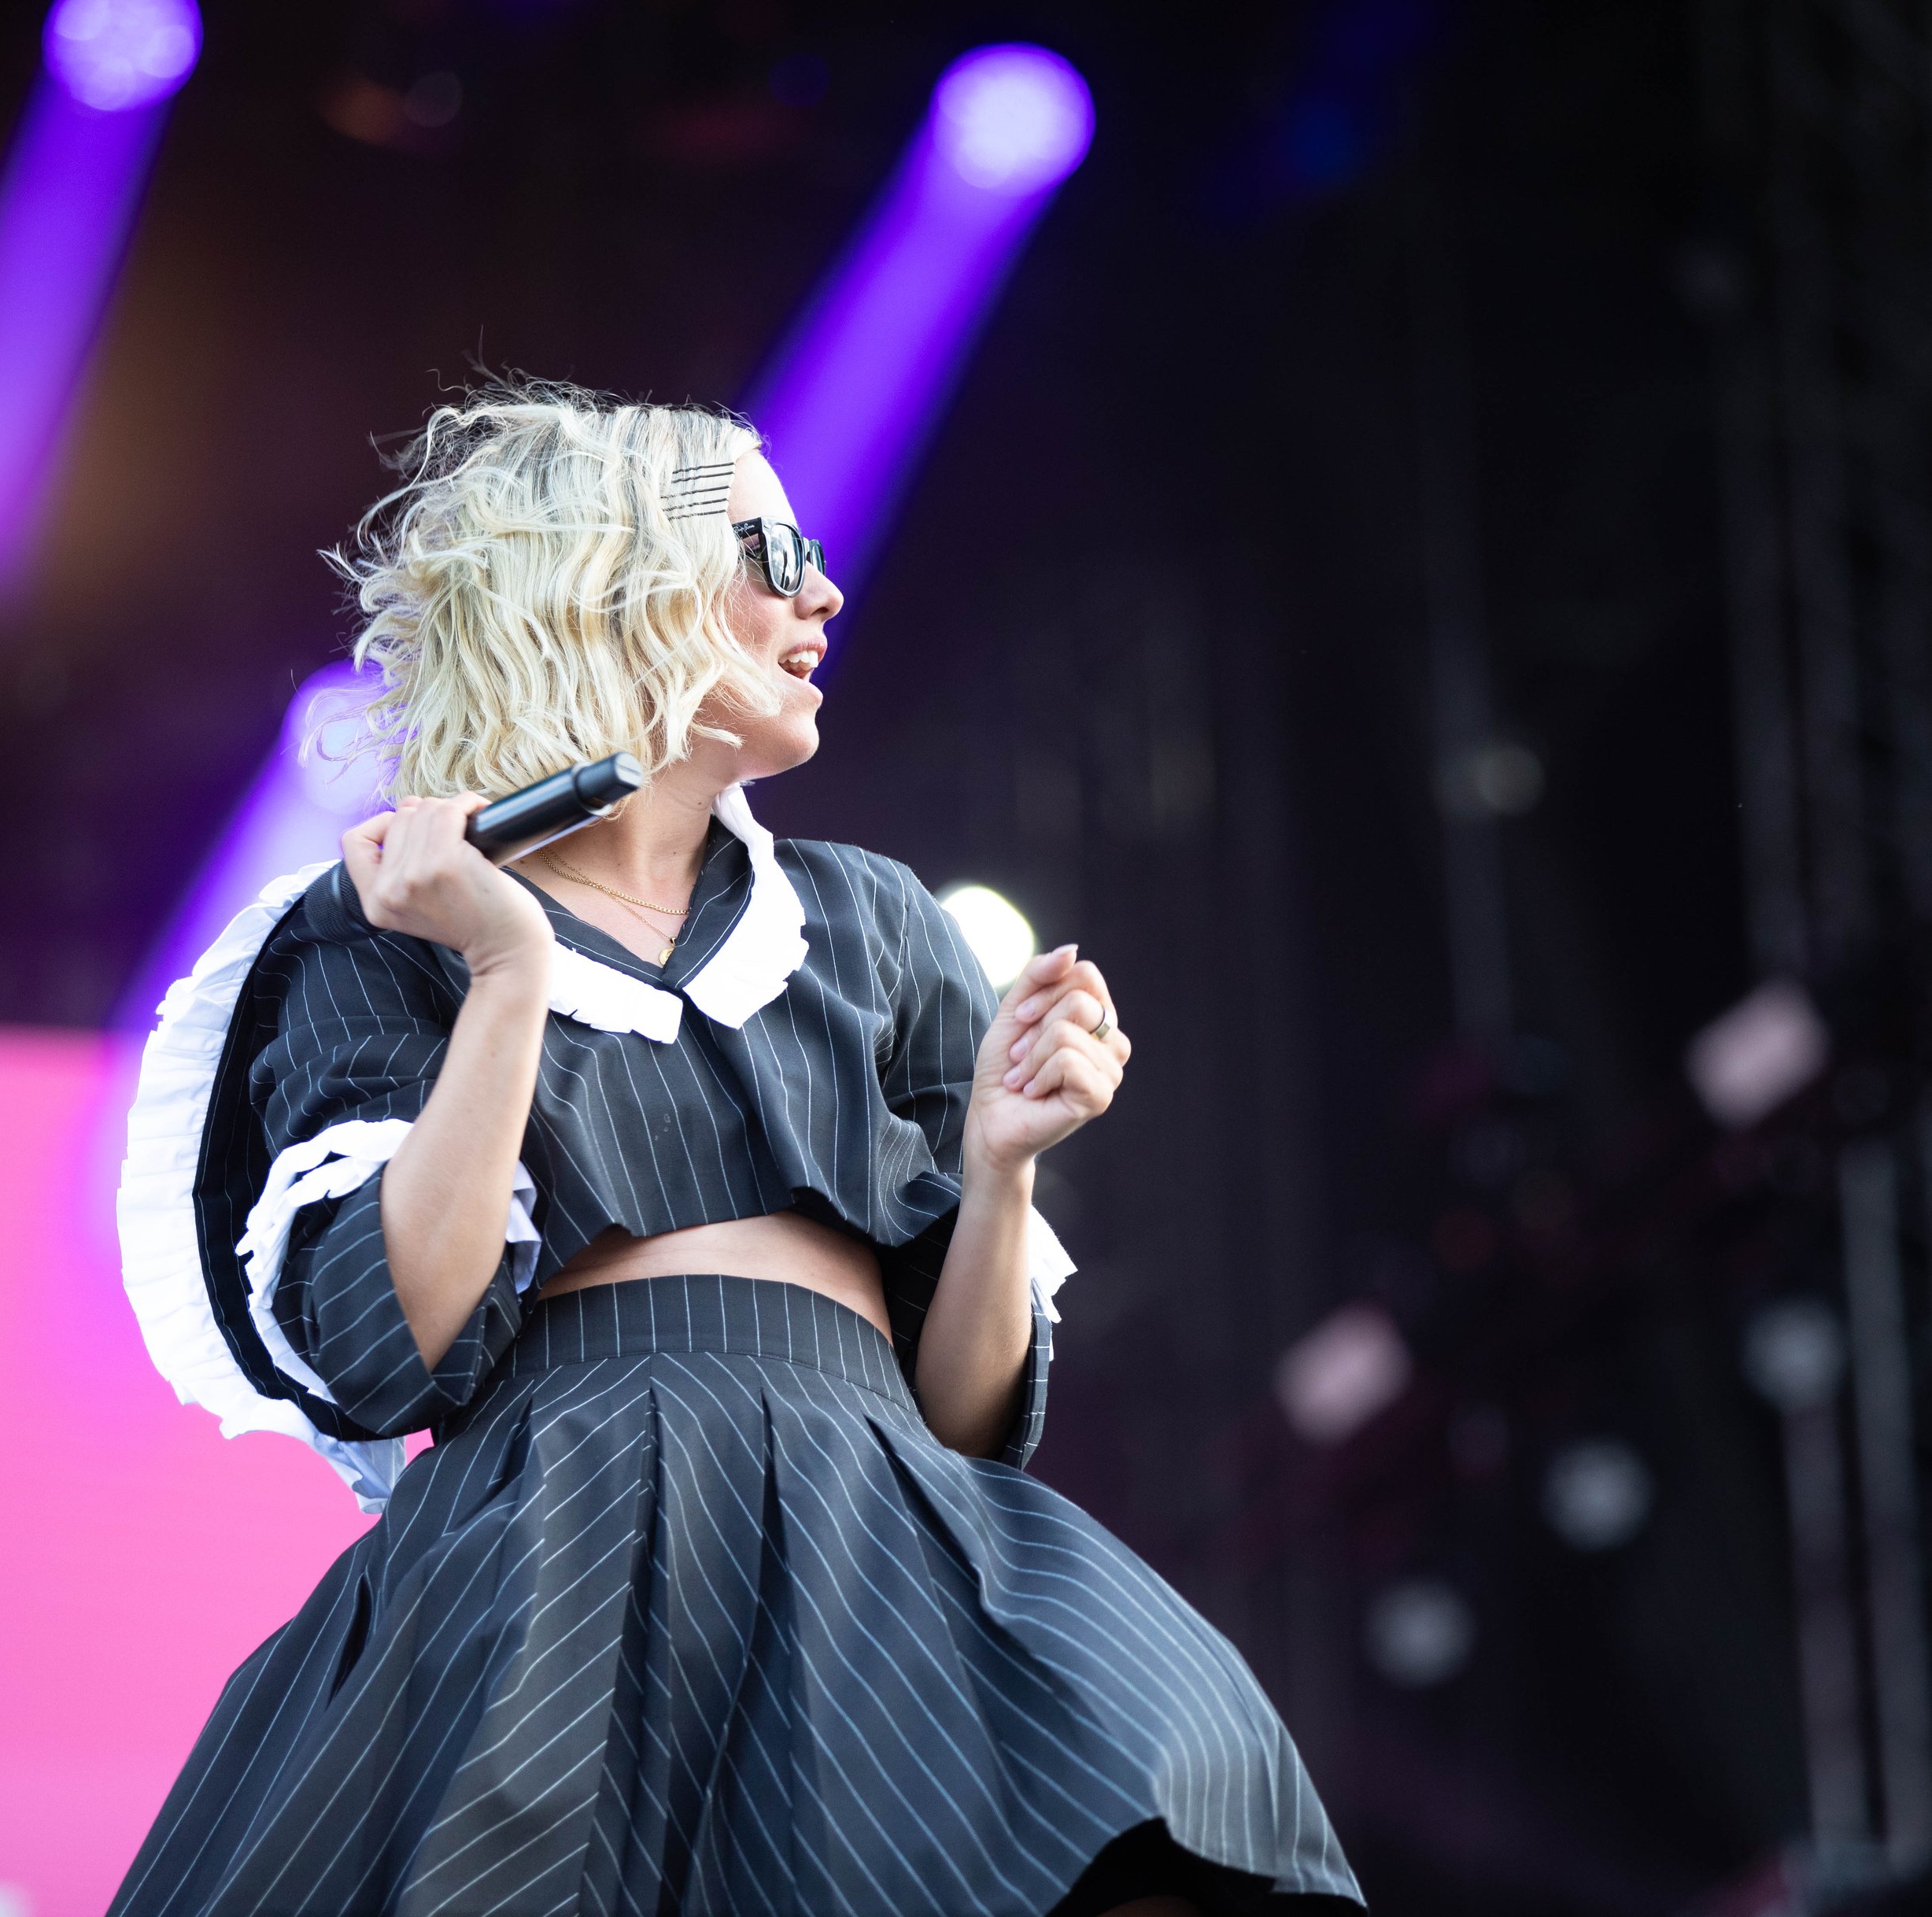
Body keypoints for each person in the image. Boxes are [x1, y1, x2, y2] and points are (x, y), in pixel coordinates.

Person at [110, 386, 1361, 1917]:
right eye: (771, 548)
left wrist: (1002, 1163)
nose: (821, 591)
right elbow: (392, 1343)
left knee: (1164, 1805)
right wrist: (505, 975)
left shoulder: (872, 921)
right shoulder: (391, 922)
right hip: (556, 1549)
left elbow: (960, 1423)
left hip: (871, 1542)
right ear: (606, 585)